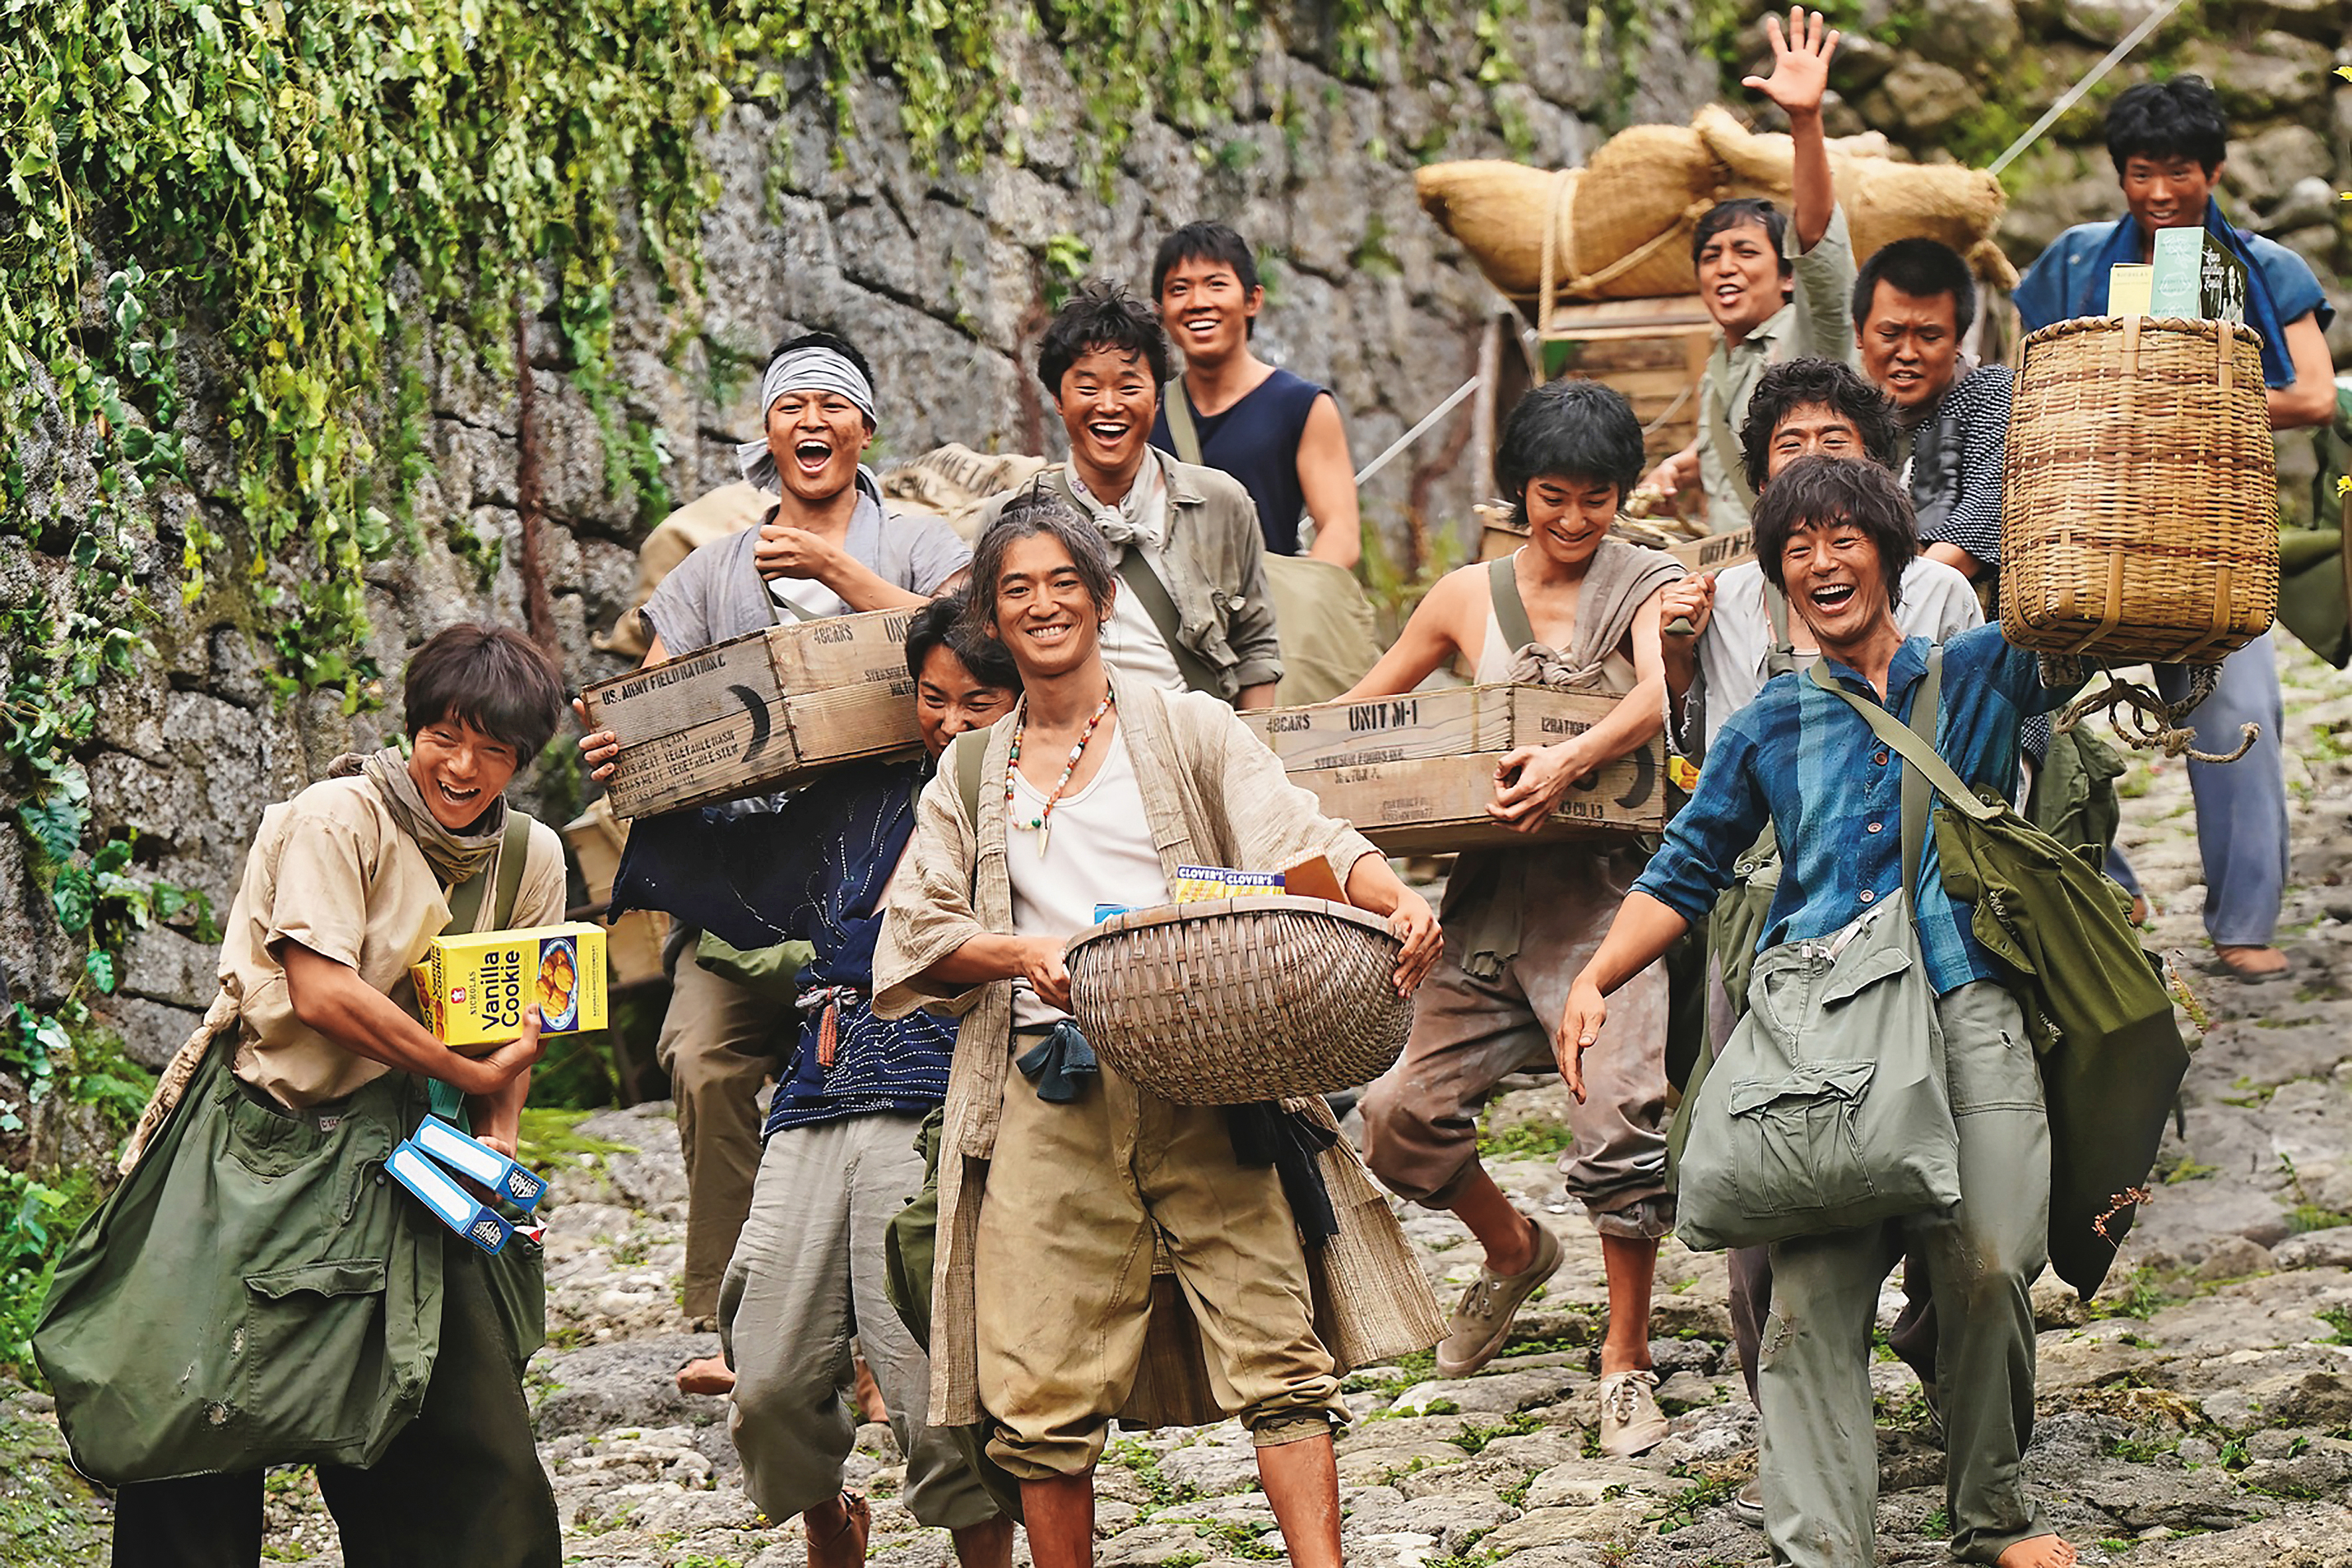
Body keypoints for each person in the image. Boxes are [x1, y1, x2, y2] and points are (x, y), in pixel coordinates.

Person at [872, 495, 1444, 1568]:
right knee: (1036, 1384)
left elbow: (1298, 831)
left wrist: (1394, 895)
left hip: (1204, 1071)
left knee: (1277, 1348)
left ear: (1098, 596)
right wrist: (1017, 955)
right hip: (1048, 1086)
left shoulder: (1179, 726)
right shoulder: (968, 774)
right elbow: (915, 935)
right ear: (993, 617)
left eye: (1060, 583)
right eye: (1015, 589)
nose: (1041, 605)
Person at [1561, 457, 2078, 1568]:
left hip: (1965, 999)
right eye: (1795, 547)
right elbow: (1684, 867)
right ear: (1775, 577)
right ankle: (1823, 1549)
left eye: (1842, 538)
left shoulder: (1978, 674)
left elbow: (2078, 627)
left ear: (1889, 555)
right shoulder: (1768, 725)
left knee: (1990, 1263)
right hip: (1826, 1034)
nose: (1819, 561)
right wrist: (1595, 975)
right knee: (1805, 1315)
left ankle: (1990, 1514)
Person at [43, 625, 572, 1568]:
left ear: (521, 760)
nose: (464, 765)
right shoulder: (337, 818)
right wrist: (469, 1074)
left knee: (463, 1438)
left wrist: (498, 1141)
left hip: (424, 1165)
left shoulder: (529, 857)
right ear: (413, 728)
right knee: (199, 1409)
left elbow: (514, 1017)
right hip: (267, 1150)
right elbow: (322, 991)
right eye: (445, 735)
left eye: (494, 749)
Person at [576, 330, 972, 1389]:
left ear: (865, 427)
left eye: (832, 404)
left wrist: (840, 570)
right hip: (747, 871)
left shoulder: (924, 545)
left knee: (892, 1075)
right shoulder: (712, 572)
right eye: (790, 405)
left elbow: (979, 645)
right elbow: (655, 698)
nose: (811, 421)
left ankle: (900, 1327)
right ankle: (736, 1321)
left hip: (889, 865)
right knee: (702, 1058)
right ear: (764, 433)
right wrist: (622, 740)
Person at [609, 598, 1020, 1568]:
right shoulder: (867, 795)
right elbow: (736, 844)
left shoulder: (1038, 807)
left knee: (931, 1385)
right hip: (818, 1082)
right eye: (932, 697)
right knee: (768, 1382)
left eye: (978, 700)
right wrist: (639, 774)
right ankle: (831, 1518)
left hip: (933, 1091)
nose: (951, 720)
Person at [1346, 380, 1682, 1455]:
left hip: (1607, 899)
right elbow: (1367, 713)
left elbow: (1656, 695)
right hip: (1484, 905)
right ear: (1516, 492)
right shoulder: (1462, 597)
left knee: (1619, 1109)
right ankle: (1510, 1249)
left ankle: (1624, 1360)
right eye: (1552, 496)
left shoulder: (1650, 582)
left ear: (1620, 497)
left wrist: (1571, 757)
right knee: (1397, 1114)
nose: (1575, 520)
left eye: (1596, 498)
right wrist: (1268, 755)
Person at [2013, 74, 2337, 981]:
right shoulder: (2073, 261)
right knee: (2027, 706)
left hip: (2208, 538)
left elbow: (2310, 392)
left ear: (2216, 169)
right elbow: (2032, 381)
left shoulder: (2262, 269)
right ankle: (2100, 888)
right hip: (2087, 533)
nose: (2159, 193)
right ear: (2118, 174)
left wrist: (2195, 403)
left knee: (2242, 709)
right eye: (2141, 172)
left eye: (2180, 172)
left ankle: (2241, 923)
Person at [967, 280, 1283, 708]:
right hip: (1069, 752)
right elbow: (989, 654)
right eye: (1088, 387)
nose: (1109, 405)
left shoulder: (1220, 502)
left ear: (1157, 397)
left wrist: (1250, 755)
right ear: (1058, 399)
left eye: (1129, 387)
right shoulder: (1007, 519)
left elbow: (1256, 647)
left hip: (1199, 748)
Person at [1664, 357, 1982, 755]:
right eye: (1791, 444)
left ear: (1877, 469)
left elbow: (1980, 747)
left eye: (1834, 441)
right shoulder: (1727, 598)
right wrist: (1677, 659)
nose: (1812, 458)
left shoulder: (1939, 592)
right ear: (1763, 484)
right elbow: (1710, 754)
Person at [1638, 7, 1853, 532]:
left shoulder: (1812, 336)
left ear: (1786, 276)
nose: (1724, 268)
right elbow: (1733, 440)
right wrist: (1684, 465)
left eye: (1745, 252)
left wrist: (1805, 121)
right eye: (1710, 257)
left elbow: (1819, 246)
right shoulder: (1722, 364)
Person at [1148, 220, 1361, 568]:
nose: (1198, 302)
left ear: (1252, 300)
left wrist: (1288, 606)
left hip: (1271, 614)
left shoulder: (1301, 407)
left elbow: (1342, 534)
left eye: (1216, 285)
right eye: (1179, 289)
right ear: (1160, 310)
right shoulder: (1147, 413)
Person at [1852, 238, 2014, 583]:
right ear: (1859, 332)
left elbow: (1978, 523)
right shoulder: (1847, 417)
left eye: (1929, 336)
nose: (1908, 353)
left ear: (1958, 340)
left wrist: (1882, 602)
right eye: (1890, 333)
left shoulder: (1992, 395)